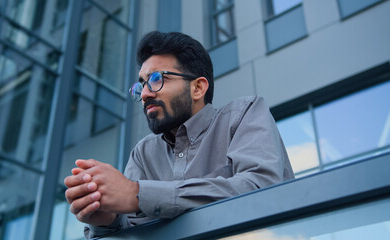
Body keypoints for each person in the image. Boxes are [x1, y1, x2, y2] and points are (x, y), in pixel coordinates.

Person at [64, 31, 294, 239]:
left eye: (156, 79)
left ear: (198, 88)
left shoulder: (244, 114)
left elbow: (262, 187)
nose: (144, 94)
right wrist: (106, 220)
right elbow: (131, 230)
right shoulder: (143, 154)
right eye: (141, 85)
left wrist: (137, 194)